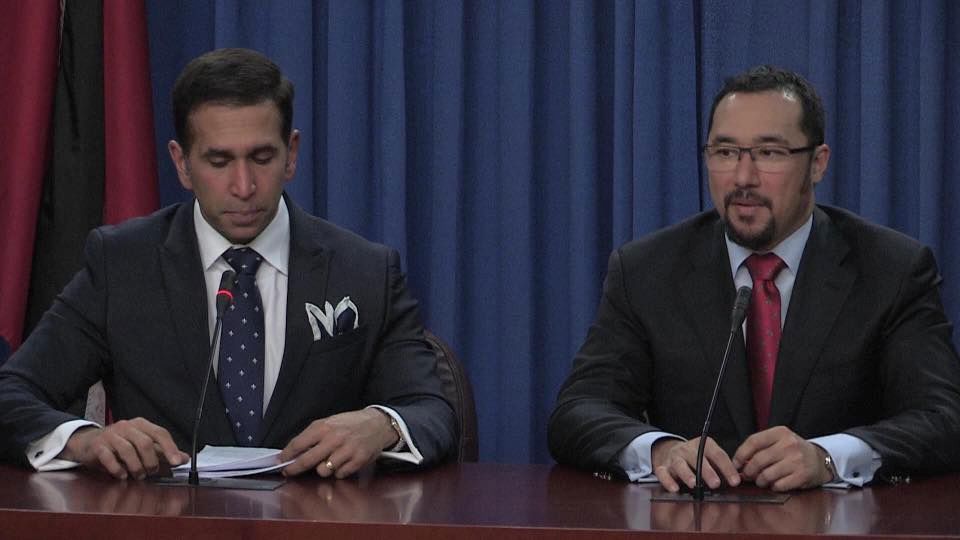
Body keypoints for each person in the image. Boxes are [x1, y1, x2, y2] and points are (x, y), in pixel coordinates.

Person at [0, 48, 455, 480]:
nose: (243, 186)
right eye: (219, 161)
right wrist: (84, 441)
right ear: (181, 163)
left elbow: (433, 411)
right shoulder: (122, 265)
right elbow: (11, 395)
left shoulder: (365, 270)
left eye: (262, 158)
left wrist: (382, 424)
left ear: (291, 154)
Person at [548, 65, 960, 492]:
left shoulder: (890, 270)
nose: (743, 178)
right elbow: (578, 411)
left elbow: (944, 418)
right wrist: (661, 450)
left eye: (769, 153)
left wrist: (827, 458)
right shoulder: (646, 271)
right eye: (725, 152)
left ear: (817, 164)